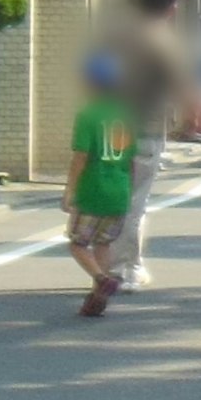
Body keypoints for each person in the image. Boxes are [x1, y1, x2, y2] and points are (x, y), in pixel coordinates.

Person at [109, 0, 189, 290]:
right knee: (135, 201)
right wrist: (186, 118)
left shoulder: (117, 37)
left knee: (117, 195)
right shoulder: (164, 41)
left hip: (114, 125)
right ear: (170, 10)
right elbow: (180, 85)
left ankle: (110, 264)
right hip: (147, 128)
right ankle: (126, 269)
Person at [65, 48, 141, 320]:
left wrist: (70, 191)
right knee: (104, 243)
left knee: (77, 243)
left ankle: (100, 278)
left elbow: (81, 157)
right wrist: (129, 190)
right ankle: (98, 295)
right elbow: (131, 160)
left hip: (93, 189)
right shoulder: (125, 116)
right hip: (119, 190)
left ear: (91, 83)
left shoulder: (88, 115)